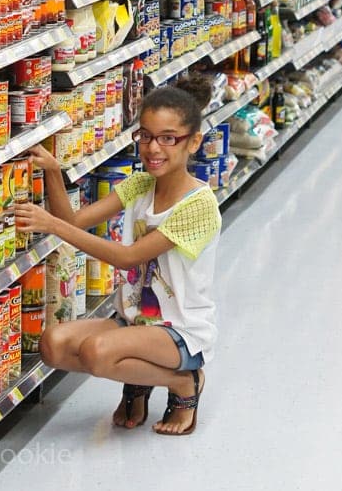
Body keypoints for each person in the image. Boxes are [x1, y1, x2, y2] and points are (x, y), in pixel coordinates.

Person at [13, 75, 221, 437]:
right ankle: (138, 383)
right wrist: (52, 171)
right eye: (146, 136)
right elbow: (74, 220)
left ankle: (184, 383)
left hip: (179, 331)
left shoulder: (199, 205)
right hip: (133, 320)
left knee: (96, 352)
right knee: (53, 344)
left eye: (168, 138)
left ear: (193, 142)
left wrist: (53, 227)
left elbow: (128, 258)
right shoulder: (141, 184)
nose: (154, 148)